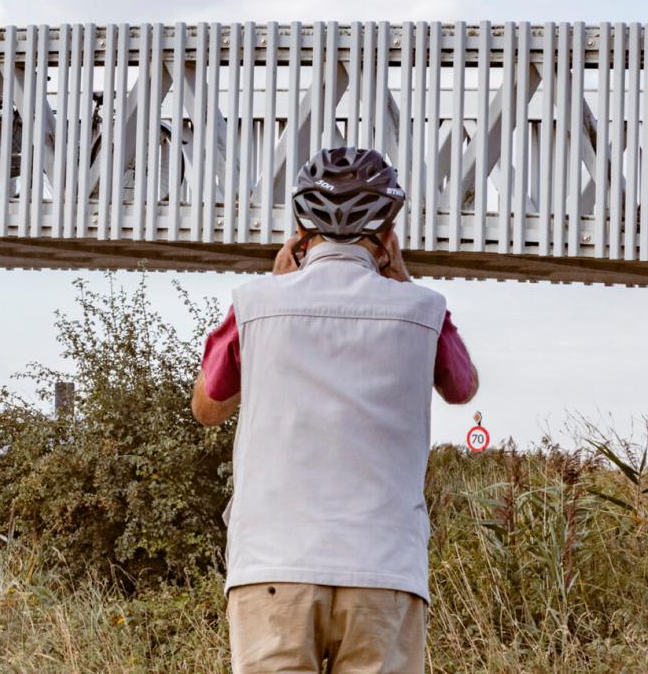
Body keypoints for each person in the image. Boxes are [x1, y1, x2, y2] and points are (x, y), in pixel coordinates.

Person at [192, 147, 479, 674]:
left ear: (301, 233)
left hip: (274, 564)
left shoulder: (255, 305)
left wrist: (275, 297)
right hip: (384, 568)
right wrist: (404, 284)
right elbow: (462, 388)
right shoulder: (424, 311)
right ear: (388, 235)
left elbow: (208, 407)